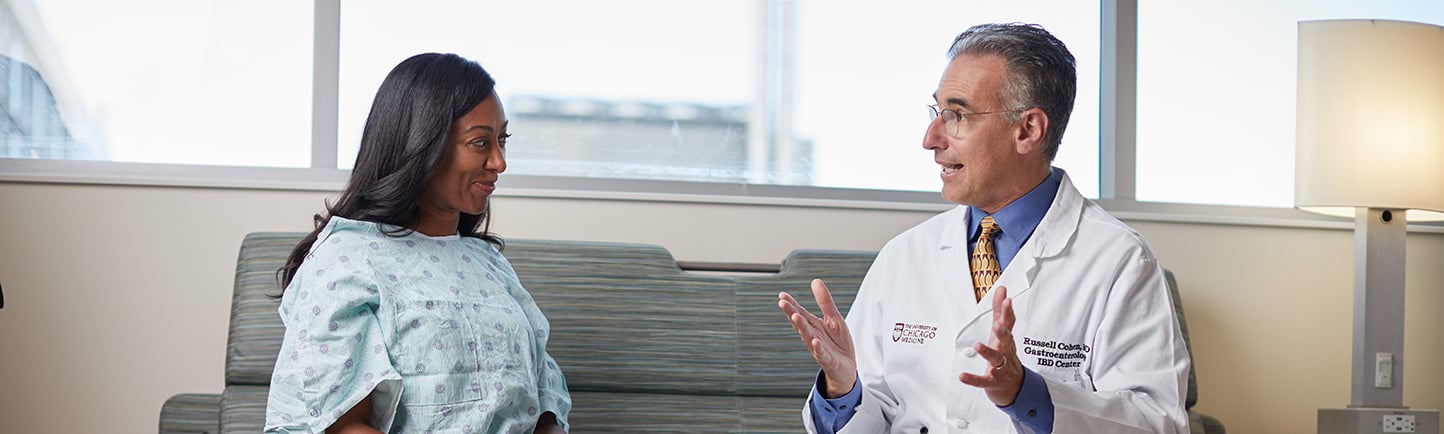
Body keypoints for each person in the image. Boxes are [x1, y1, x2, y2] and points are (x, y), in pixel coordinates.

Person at [777, 23, 1189, 433]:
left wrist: (1028, 394)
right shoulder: (905, 255)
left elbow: (1159, 423)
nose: (930, 138)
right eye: (936, 112)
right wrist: (843, 389)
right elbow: (875, 412)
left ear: (1027, 130)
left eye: (957, 115)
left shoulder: (1119, 261)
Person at [264, 53, 570, 434]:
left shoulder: (490, 264)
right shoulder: (347, 260)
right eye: (480, 142)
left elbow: (545, 399)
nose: (499, 162)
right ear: (422, 144)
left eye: (502, 141)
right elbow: (341, 425)